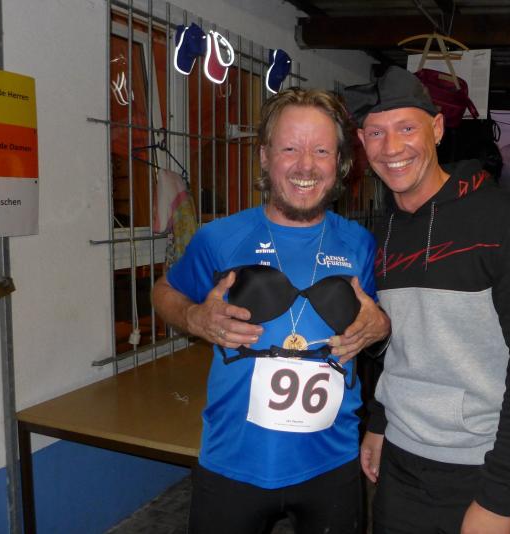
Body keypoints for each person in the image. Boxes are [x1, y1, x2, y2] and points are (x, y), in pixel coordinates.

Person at [152, 87, 390, 533]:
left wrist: (380, 324)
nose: (305, 165)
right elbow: (164, 291)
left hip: (332, 461)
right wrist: (193, 318)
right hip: (233, 460)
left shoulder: (360, 244)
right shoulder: (219, 238)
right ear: (264, 156)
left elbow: (379, 326)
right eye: (290, 148)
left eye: (321, 151)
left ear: (339, 162)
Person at [344, 66, 510, 534]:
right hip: (401, 467)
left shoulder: (508, 223)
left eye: (407, 128)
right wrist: (380, 422)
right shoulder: (384, 232)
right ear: (363, 142)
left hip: (485, 468)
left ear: (437, 129)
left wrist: (499, 495)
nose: (392, 147)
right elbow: (403, 346)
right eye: (376, 133)